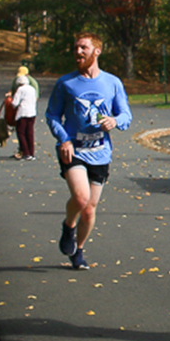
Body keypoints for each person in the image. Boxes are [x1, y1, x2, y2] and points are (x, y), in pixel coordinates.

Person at [45, 32, 132, 270]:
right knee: (81, 198)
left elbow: (126, 114)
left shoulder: (112, 82)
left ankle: (79, 250)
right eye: (75, 48)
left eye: (83, 47)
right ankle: (68, 226)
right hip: (73, 150)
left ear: (97, 51)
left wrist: (115, 121)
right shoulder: (66, 83)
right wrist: (63, 139)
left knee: (90, 209)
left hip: (100, 152)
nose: (78, 52)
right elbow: (52, 114)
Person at [11, 74, 39, 160]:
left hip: (23, 113)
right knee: (30, 133)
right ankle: (31, 153)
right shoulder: (32, 89)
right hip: (32, 112)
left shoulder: (20, 89)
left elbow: (15, 103)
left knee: (21, 132)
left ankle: (26, 153)